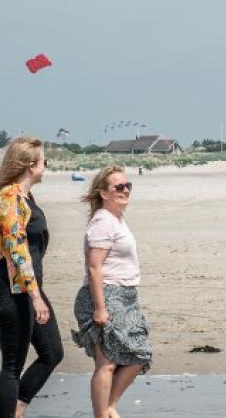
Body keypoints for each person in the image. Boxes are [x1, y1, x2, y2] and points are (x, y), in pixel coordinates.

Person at [0, 136, 65, 418]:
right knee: (12, 365)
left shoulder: (26, 197)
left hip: (27, 287)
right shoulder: (8, 198)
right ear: (31, 165)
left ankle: (18, 408)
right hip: (12, 288)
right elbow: (15, 249)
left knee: (52, 352)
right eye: (44, 162)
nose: (46, 166)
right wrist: (34, 297)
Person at [71, 166, 152, 418]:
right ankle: (104, 412)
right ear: (103, 193)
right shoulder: (103, 221)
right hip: (105, 295)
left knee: (139, 355)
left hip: (125, 297)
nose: (125, 190)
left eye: (128, 186)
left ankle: (108, 408)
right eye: (118, 187)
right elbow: (94, 267)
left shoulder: (116, 219)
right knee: (106, 363)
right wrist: (100, 308)